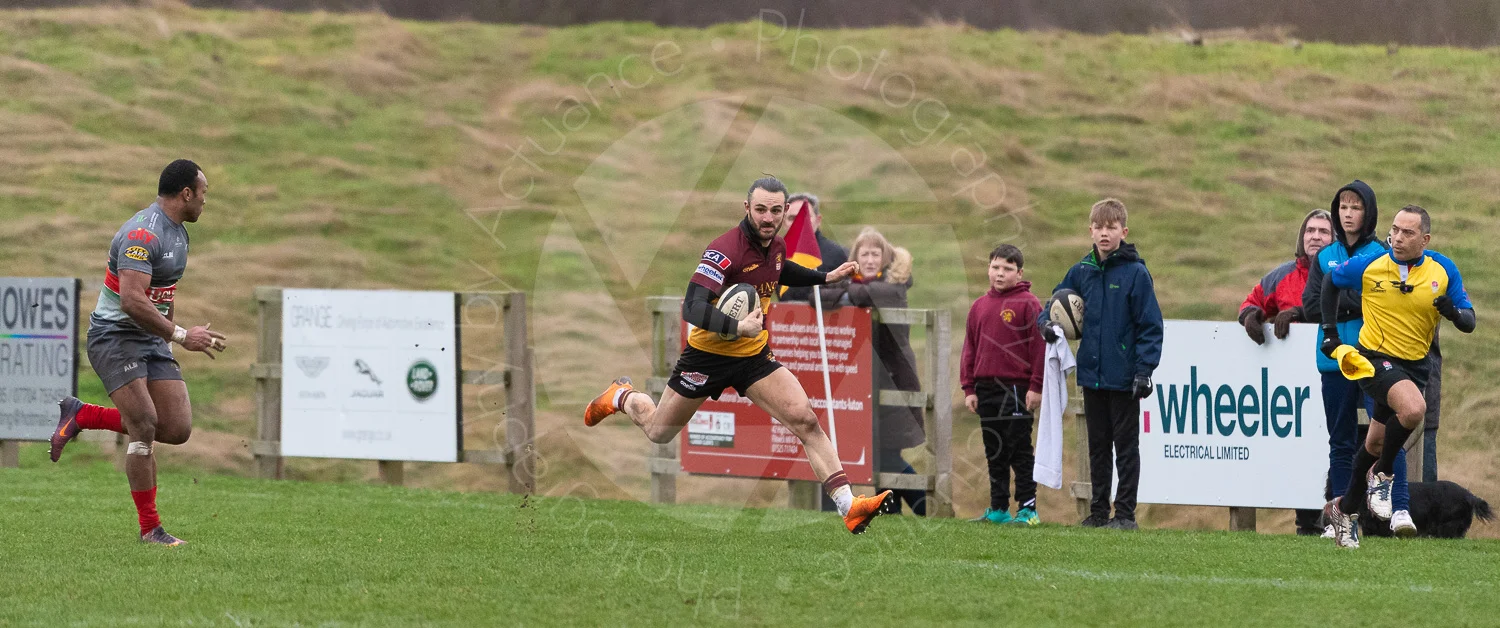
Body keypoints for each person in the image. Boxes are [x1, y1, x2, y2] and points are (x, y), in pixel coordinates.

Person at [583, 177, 891, 534]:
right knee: (658, 431)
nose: (768, 217)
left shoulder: (775, 246)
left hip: (753, 359)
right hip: (706, 357)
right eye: (760, 209)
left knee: (805, 419)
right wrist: (736, 327)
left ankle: (849, 507)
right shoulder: (723, 251)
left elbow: (780, 269)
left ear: (785, 213)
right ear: (746, 208)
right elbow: (692, 308)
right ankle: (621, 395)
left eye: (776, 211)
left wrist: (825, 277)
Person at [48, 159, 227, 546]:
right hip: (113, 337)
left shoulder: (179, 234)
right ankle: (151, 529)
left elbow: (163, 295)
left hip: (149, 339)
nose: (204, 202)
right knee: (144, 423)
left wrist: (167, 341)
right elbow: (131, 300)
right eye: (203, 193)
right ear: (186, 194)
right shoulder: (142, 235)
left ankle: (83, 415)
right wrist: (180, 335)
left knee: (177, 429)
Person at [1320, 205, 1475, 549]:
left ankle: (1344, 514)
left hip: (1415, 366)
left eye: (1408, 232)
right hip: (1373, 358)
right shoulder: (1371, 263)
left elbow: (1469, 320)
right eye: (1395, 230)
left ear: (1425, 239)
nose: (1398, 237)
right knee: (1414, 410)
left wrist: (1452, 312)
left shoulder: (1443, 269)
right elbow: (1331, 281)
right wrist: (1330, 332)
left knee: (1374, 444)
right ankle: (1383, 475)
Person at [1040, 198, 1163, 531]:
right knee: (1097, 448)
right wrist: (1046, 325)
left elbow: (1150, 326)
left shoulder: (1136, 273)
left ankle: (1124, 515)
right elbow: (1054, 303)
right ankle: (1097, 514)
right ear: (1090, 230)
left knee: (1125, 448)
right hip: (1091, 375)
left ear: (1124, 231)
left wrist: (1143, 371)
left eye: (1111, 227)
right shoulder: (1082, 271)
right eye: (1099, 227)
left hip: (1124, 378)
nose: (1105, 233)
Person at [1301, 181, 1415, 538]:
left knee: (1386, 434)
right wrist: (1349, 302)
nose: (1348, 214)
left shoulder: (1383, 253)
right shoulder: (1324, 256)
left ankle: (1399, 509)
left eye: (1356, 207)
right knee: (1341, 440)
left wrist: (1337, 303)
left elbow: (1382, 301)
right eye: (1343, 207)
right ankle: (1340, 517)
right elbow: (1310, 306)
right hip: (1334, 359)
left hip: (1373, 359)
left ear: (1369, 214)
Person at [814, 227, 925, 515]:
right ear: (855, 258)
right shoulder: (858, 284)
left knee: (886, 453)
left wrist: (843, 291)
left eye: (876, 253)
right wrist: (842, 291)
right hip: (864, 383)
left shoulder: (894, 285)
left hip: (894, 379)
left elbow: (868, 295)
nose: (871, 259)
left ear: (886, 257)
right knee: (880, 452)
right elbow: (821, 296)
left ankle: (926, 504)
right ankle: (892, 512)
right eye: (865, 253)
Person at [1237, 208, 1333, 535]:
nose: (1316, 236)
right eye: (1310, 231)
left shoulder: (1342, 271)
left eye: (1323, 231)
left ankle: (1338, 518)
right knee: (1301, 451)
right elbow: (1253, 301)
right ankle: (1307, 524)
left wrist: (1301, 313)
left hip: (1335, 376)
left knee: (1337, 448)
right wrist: (1251, 317)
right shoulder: (1282, 275)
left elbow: (1345, 307)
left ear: (1334, 238)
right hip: (1291, 389)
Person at [961, 244, 1045, 525]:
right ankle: (998, 508)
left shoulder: (1029, 304)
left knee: (1019, 448)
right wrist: (969, 388)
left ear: (1019, 273)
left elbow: (1038, 348)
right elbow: (970, 349)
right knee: (994, 449)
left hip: (1017, 388)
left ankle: (1028, 509)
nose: (1000, 274)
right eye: (995, 267)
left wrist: (1036, 385)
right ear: (988, 269)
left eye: (1007, 269)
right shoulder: (979, 307)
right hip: (986, 388)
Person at [780, 193, 849, 302]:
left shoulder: (838, 254)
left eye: (804, 216)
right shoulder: (776, 254)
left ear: (818, 220)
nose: (798, 222)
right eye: (792, 218)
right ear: (783, 222)